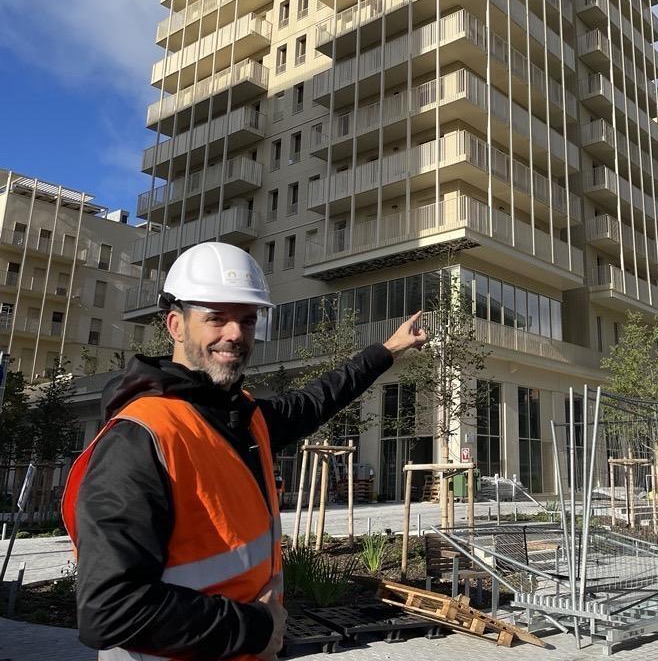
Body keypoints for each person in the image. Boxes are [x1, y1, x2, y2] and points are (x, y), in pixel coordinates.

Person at [61, 242, 426, 660]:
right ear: (176, 325)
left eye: (247, 320)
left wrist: (388, 350)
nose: (235, 334)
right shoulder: (141, 438)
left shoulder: (243, 417)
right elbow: (109, 610)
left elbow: (318, 398)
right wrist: (256, 628)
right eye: (216, 318)